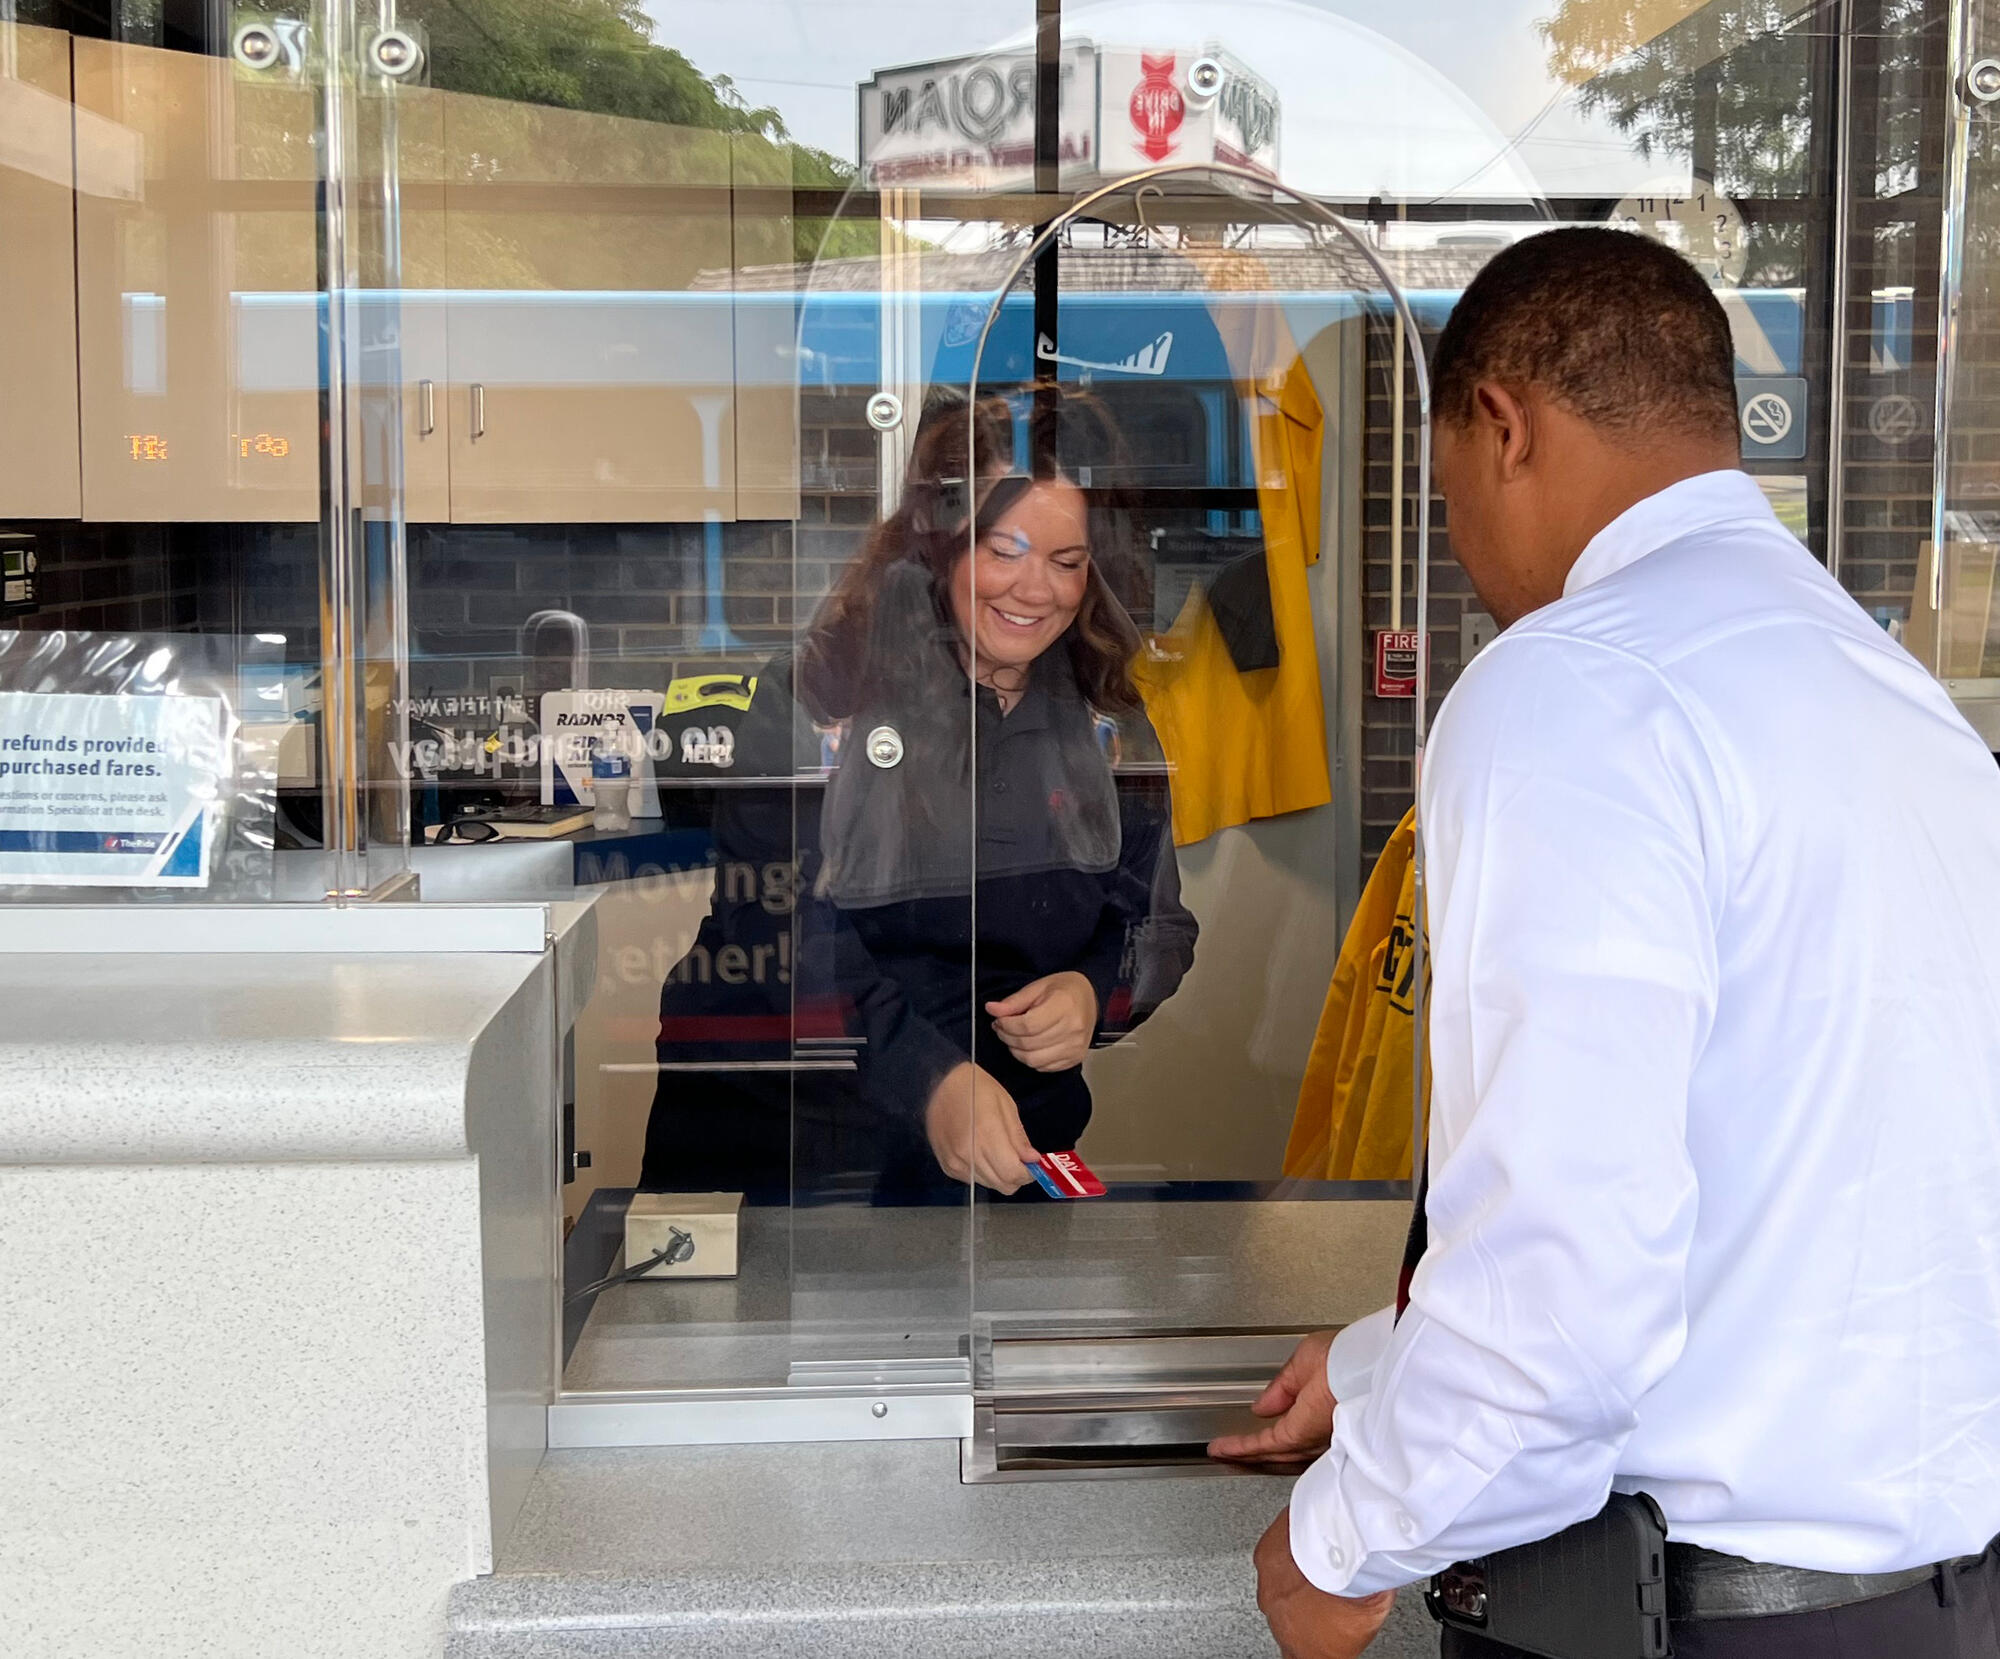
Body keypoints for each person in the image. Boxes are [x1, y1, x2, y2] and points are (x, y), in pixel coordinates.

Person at [1213, 227, 2000, 1657]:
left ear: (1502, 426)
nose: (1468, 565)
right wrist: (1387, 1365)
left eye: (1448, 508)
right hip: (1925, 1606)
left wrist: (1338, 1537)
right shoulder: (1897, 702)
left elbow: (1558, 1282)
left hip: (1681, 1616)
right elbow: (1766, 1195)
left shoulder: (1574, 687)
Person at [640, 390, 1195, 1201]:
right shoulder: (818, 701)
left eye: (1067, 561)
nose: (1035, 589)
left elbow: (1159, 921)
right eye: (1004, 550)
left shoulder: (1107, 719)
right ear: (937, 542)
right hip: (797, 1151)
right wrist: (925, 1077)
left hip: (997, 1162)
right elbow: (777, 930)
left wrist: (1096, 990)